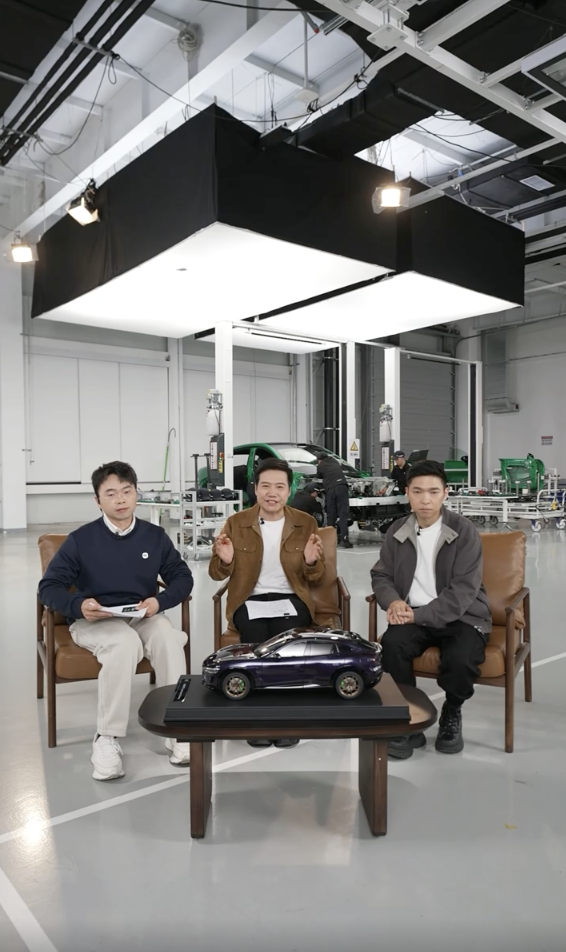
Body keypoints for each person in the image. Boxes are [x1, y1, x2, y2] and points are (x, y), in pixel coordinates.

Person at [38, 461, 193, 781]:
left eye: (127, 491)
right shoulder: (80, 540)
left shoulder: (154, 536)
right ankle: (106, 737)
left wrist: (159, 602)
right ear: (97, 501)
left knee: (167, 636)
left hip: (141, 614)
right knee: (123, 644)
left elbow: (182, 577)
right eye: (110, 494)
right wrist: (79, 605)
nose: (120, 499)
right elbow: (48, 587)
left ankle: (177, 726)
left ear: (136, 494)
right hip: (95, 619)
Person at [370, 460, 491, 759]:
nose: (426, 499)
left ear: (445, 493)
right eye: (418, 491)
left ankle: (453, 710)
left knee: (461, 659)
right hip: (413, 615)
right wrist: (393, 601)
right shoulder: (398, 530)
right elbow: (381, 575)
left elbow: (463, 591)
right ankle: (407, 717)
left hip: (462, 616)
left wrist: (417, 615)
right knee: (392, 646)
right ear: (407, 493)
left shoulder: (463, 531)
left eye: (433, 492)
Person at [209, 457, 325, 750]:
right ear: (255, 489)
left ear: (289, 490)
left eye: (279, 487)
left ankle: (286, 718)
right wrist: (225, 561)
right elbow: (215, 573)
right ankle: (257, 718)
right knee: (256, 640)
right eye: (265, 486)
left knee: (286, 642)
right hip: (249, 600)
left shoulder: (306, 523)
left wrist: (311, 562)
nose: (272, 493)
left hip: (292, 599)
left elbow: (317, 576)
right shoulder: (236, 523)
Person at [316, 453, 352, 548]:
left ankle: (330, 541)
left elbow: (318, 476)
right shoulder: (335, 461)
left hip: (331, 489)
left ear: (319, 460)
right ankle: (344, 540)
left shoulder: (321, 465)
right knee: (343, 515)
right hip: (342, 487)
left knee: (331, 515)